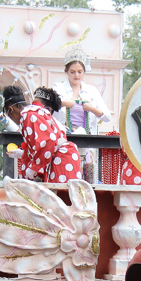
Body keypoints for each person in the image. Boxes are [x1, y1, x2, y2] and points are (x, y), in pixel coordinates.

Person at [52, 46, 111, 181]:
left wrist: (92, 109)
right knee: (65, 172)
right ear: (66, 72)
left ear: (84, 72)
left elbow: (107, 116)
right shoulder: (59, 88)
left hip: (87, 141)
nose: (76, 75)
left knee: (86, 175)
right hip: (64, 139)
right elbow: (47, 105)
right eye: (72, 72)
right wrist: (63, 102)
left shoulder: (91, 91)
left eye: (79, 72)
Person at [3, 87, 81, 183]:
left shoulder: (29, 114)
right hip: (61, 157)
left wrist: (34, 167)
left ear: (11, 109)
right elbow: (43, 143)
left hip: (61, 159)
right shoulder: (33, 113)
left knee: (61, 196)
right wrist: (24, 154)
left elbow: (48, 141)